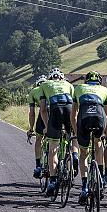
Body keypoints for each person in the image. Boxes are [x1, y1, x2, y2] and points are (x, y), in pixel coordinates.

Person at [71, 70, 107, 204]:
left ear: (86, 81)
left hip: (84, 118)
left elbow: (73, 115)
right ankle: (100, 179)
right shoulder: (105, 90)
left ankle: (84, 187)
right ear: (99, 81)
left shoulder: (79, 88)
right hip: (99, 118)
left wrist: (76, 133)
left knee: (84, 154)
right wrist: (105, 133)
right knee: (98, 144)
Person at [38, 68, 75, 197]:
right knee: (73, 136)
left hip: (55, 110)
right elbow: (76, 106)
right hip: (69, 109)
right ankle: (74, 155)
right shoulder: (69, 85)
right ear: (61, 78)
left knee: (53, 148)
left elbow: (43, 110)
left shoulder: (44, 85)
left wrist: (48, 127)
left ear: (50, 78)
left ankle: (53, 182)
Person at [26, 75, 48, 179]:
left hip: (42, 115)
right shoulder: (50, 87)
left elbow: (31, 113)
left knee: (39, 139)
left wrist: (31, 129)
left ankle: (38, 166)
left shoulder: (34, 91)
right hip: (56, 113)